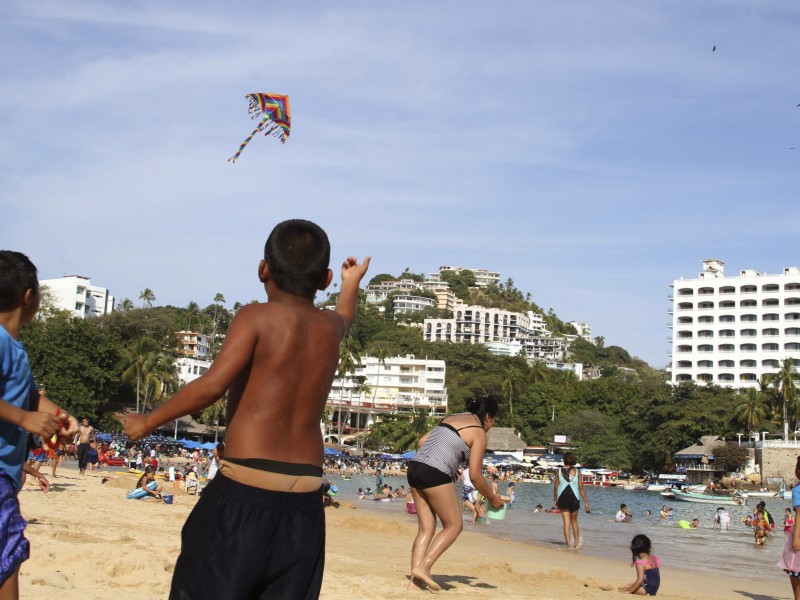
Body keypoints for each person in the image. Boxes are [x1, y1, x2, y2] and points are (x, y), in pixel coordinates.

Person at [124, 219, 370, 600]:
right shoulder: (330, 328)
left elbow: (210, 386)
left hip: (245, 488)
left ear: (263, 269)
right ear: (323, 279)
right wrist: (350, 283)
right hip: (305, 501)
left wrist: (147, 421)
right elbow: (346, 314)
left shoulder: (255, 316)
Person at [0, 250, 78, 599]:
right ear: (28, 296)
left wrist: (60, 417)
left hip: (6, 476)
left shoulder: (15, 347)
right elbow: (25, 409)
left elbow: (29, 396)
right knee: (8, 555)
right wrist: (24, 419)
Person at [406, 395, 503, 592]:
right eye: (493, 420)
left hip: (415, 467)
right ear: (488, 417)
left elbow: (423, 441)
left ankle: (415, 584)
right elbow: (475, 476)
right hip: (434, 471)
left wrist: (450, 460)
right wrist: (493, 498)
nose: (492, 425)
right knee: (454, 526)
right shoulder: (479, 433)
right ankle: (423, 568)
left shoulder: (451, 418)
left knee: (426, 529)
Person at [552, 452, 591, 550]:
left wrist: (555, 500)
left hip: (563, 498)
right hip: (574, 498)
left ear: (564, 460)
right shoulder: (577, 472)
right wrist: (586, 502)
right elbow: (581, 488)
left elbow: (556, 487)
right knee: (574, 522)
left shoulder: (558, 471)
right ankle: (577, 544)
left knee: (566, 522)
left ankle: (568, 545)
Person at [778, 456, 800, 599]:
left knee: (794, 569)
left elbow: (799, 514)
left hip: (799, 534)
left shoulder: (798, 490)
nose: (797, 470)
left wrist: (796, 538)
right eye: (797, 467)